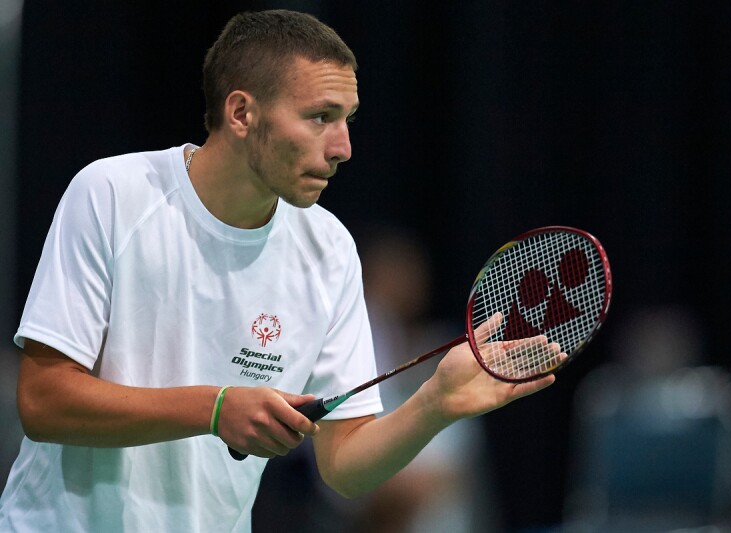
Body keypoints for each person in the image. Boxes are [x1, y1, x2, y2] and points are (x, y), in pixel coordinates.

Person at [0, 9, 561, 532]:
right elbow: (43, 402)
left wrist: (433, 406)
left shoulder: (330, 249)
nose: (342, 147)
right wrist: (217, 408)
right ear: (241, 113)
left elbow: (344, 465)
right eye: (320, 117)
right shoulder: (112, 194)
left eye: (347, 119)